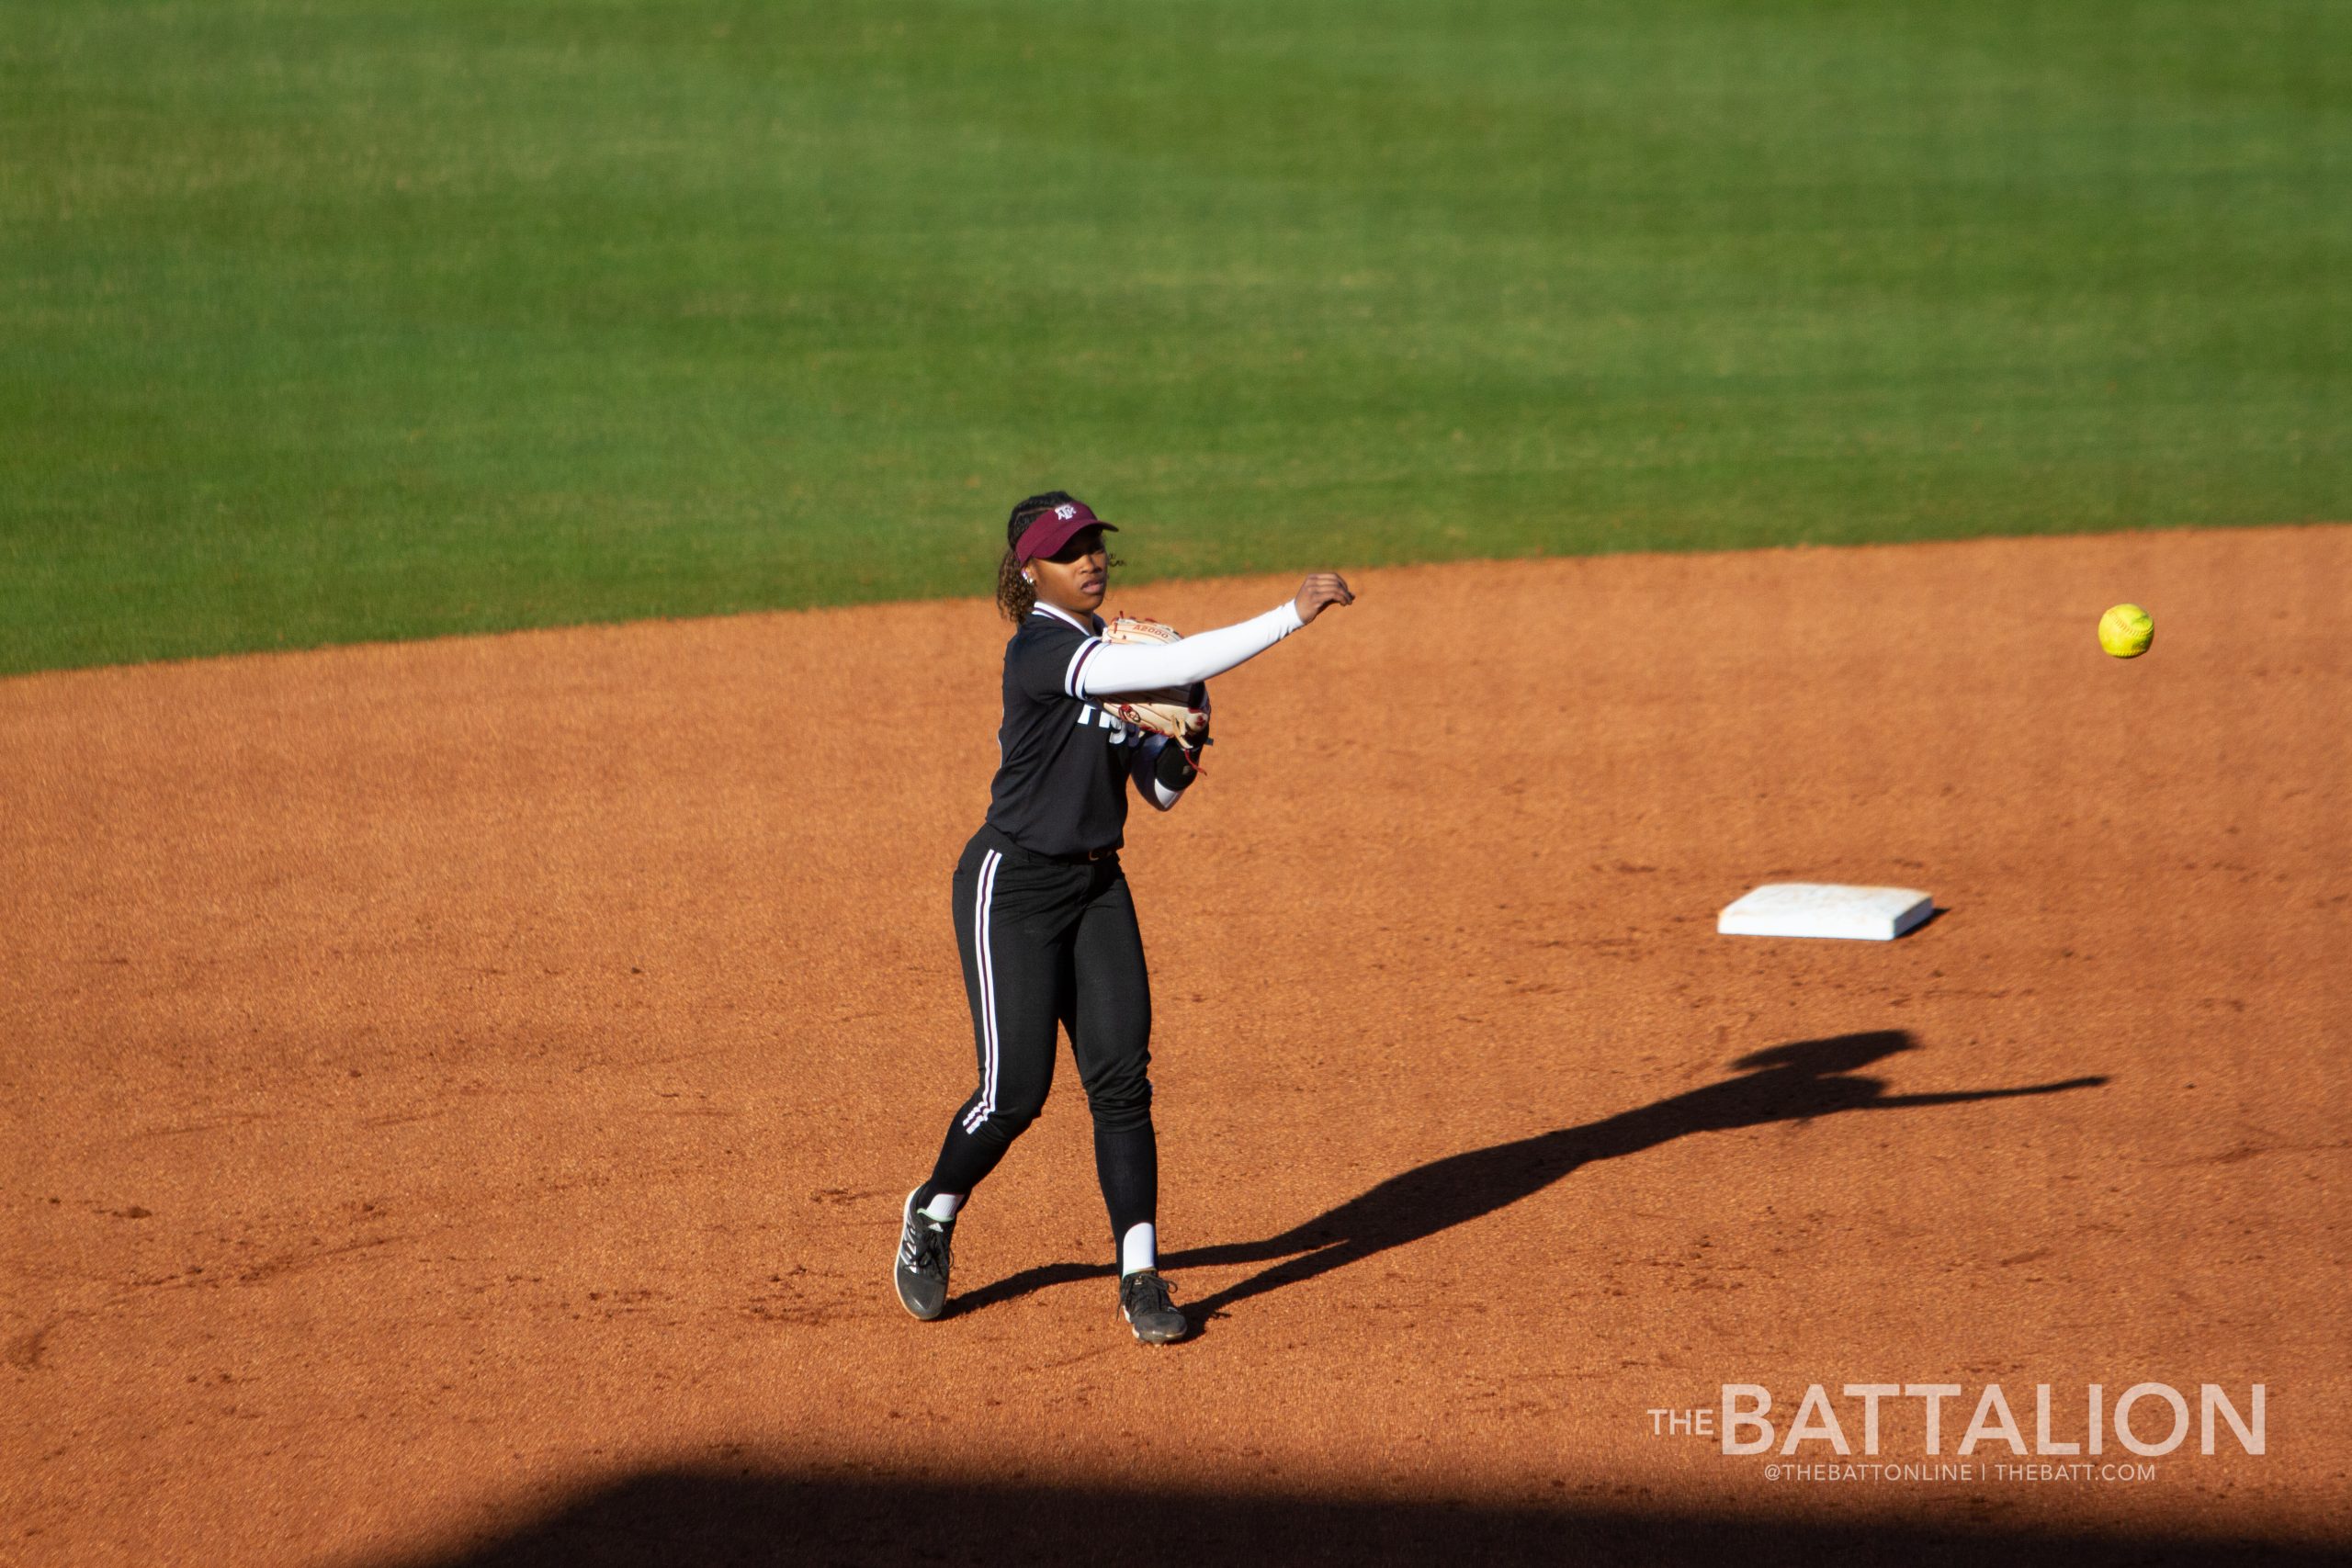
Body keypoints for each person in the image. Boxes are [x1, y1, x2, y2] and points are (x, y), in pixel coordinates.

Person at [893, 491, 1354, 1344]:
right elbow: (1147, 673)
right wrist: (1289, 615)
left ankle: (1140, 1275)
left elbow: (1161, 791)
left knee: (1121, 1082)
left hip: (1099, 886)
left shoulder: (1112, 654)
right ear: (1031, 569)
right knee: (1013, 1092)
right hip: (1013, 888)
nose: (1092, 561)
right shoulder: (1042, 651)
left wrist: (1193, 729)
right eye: (1071, 552)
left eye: (1097, 545)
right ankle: (933, 1209)